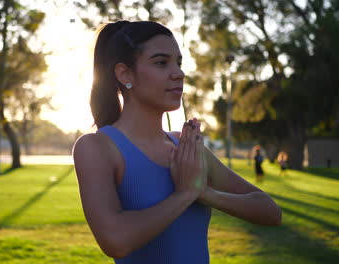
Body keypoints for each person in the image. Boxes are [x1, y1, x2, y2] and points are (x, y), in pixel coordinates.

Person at [72, 20, 282, 264]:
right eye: (161, 63)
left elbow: (270, 212)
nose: (179, 73)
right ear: (125, 74)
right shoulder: (97, 148)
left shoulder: (187, 148)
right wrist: (183, 196)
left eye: (179, 63)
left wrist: (205, 194)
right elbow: (116, 240)